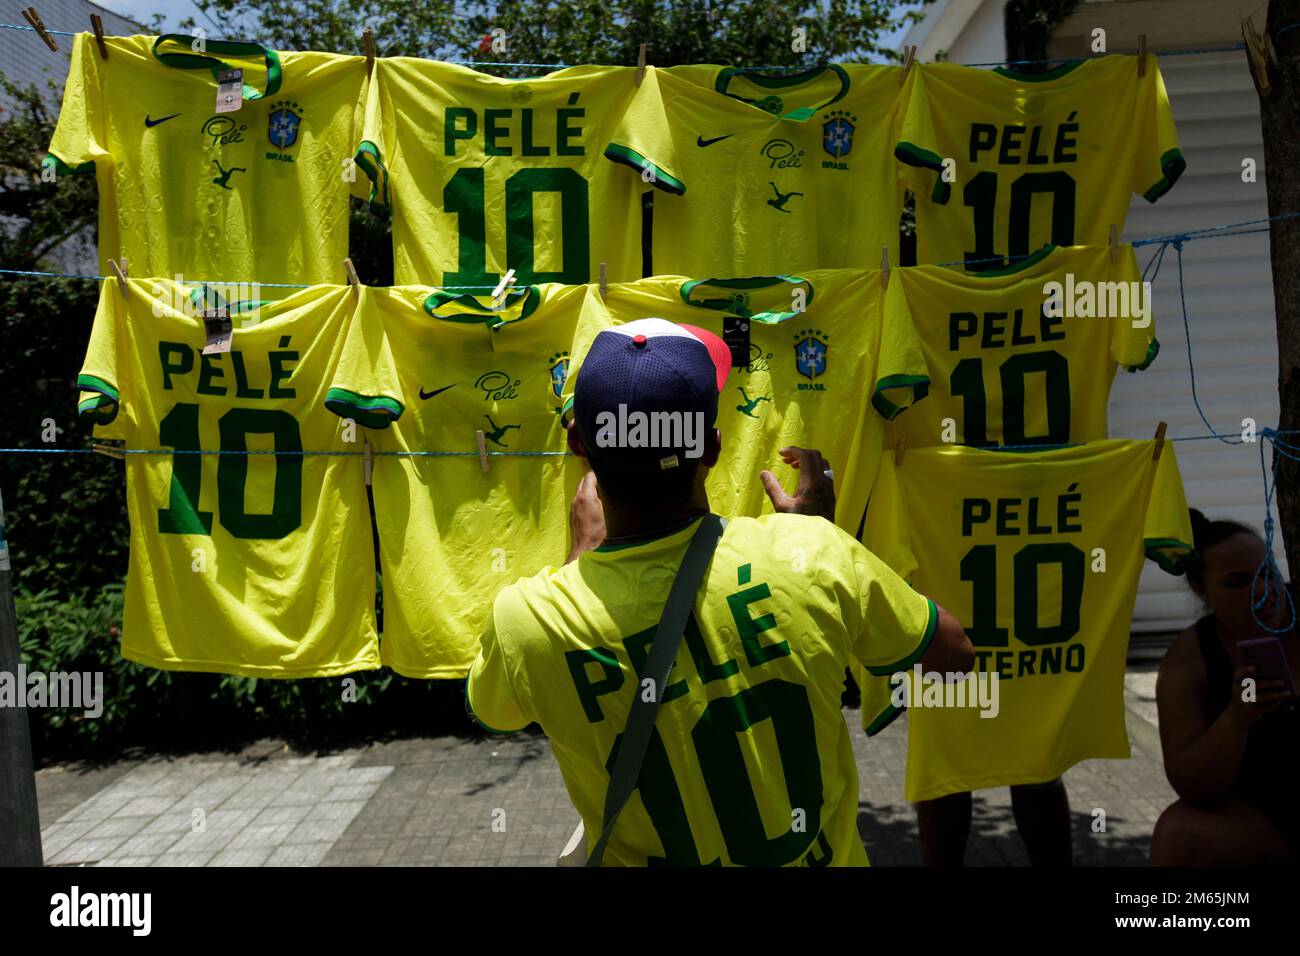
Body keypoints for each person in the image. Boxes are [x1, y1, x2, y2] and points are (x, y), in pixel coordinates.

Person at [466, 318, 974, 866]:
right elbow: (954, 657)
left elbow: (496, 715)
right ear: (711, 447)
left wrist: (578, 565)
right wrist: (817, 540)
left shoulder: (526, 619)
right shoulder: (814, 552)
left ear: (577, 445)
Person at [1151, 508, 1298, 865]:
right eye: (1238, 582)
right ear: (1201, 589)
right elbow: (1192, 786)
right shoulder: (1189, 660)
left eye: (1268, 573)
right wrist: (1236, 719)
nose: (1263, 591)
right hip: (1267, 813)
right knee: (1178, 834)